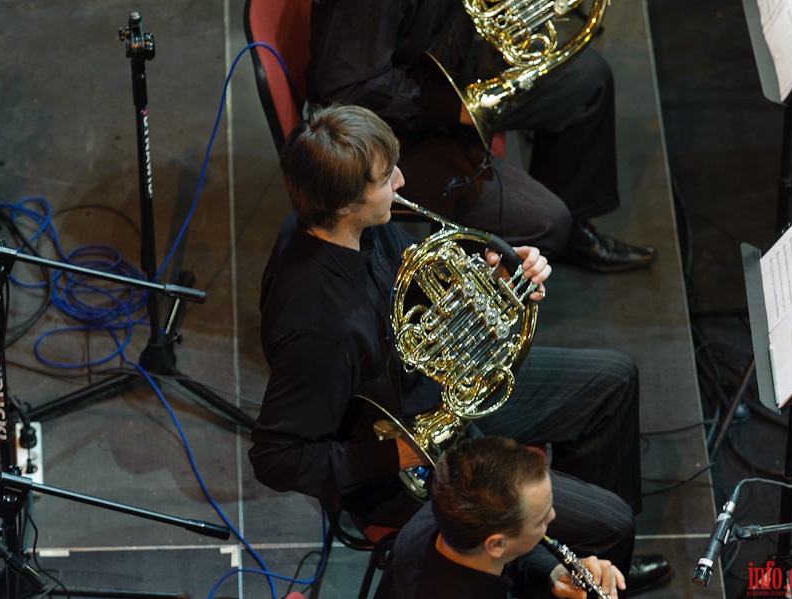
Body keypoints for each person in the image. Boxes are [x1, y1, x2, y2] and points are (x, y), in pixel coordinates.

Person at [248, 104, 669, 594]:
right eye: (387, 178)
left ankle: (578, 563)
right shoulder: (320, 332)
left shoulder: (345, 225)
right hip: (406, 458)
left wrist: (498, 279)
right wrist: (397, 453)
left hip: (436, 388)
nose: (403, 181)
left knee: (614, 380)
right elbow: (275, 458)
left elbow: (414, 278)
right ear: (345, 203)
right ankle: (579, 573)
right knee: (612, 522)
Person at [306, 0, 657, 273]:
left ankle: (573, 230)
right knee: (545, 222)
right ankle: (460, 314)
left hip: (447, 69)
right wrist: (455, 109)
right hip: (390, 135)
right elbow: (350, 86)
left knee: (586, 80)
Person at [375, 436, 626, 599]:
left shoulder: (447, 511)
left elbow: (509, 551)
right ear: (495, 544)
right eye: (540, 519)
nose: (553, 516)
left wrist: (553, 571)